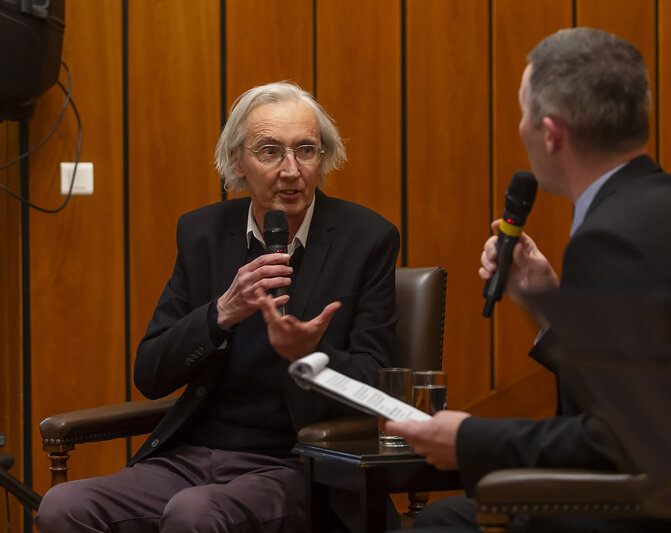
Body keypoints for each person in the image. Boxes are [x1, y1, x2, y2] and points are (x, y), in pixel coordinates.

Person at [386, 27, 671, 532]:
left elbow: (619, 438)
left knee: (440, 523)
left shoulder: (609, 237)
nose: (519, 127)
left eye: (523, 113)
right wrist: (547, 302)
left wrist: (469, 438)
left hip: (667, 512)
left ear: (551, 133)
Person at [36, 81, 400, 532]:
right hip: (191, 458)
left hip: (296, 463)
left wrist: (310, 355)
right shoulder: (203, 233)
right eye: (270, 152)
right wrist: (220, 313)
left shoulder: (366, 239)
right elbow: (150, 373)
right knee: (63, 506)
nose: (291, 170)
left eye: (306, 150)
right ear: (236, 162)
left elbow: (379, 387)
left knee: (195, 512)